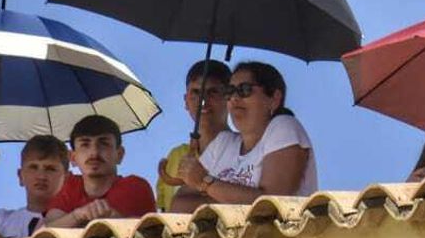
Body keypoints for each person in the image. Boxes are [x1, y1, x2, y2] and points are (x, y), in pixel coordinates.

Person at [172, 61, 318, 209]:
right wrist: (234, 200)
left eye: (245, 90)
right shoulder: (223, 143)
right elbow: (179, 204)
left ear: (274, 98)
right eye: (230, 91)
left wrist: (206, 183)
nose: (234, 98)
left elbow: (271, 205)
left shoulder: (284, 127)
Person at [44, 115, 156, 228]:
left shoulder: (135, 187)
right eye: (85, 144)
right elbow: (48, 230)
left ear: (119, 155)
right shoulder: (68, 187)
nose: (94, 152)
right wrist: (78, 215)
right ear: (73, 158)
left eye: (104, 144)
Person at [155, 60, 232, 211]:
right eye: (196, 93)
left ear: (229, 98)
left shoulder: (243, 149)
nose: (203, 102)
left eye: (212, 92)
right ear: (185, 101)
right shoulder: (175, 157)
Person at [0, 135, 69, 238]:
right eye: (33, 167)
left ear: (66, 178)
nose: (41, 176)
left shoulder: (72, 221)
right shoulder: (0, 220)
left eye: (50, 169)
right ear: (20, 176)